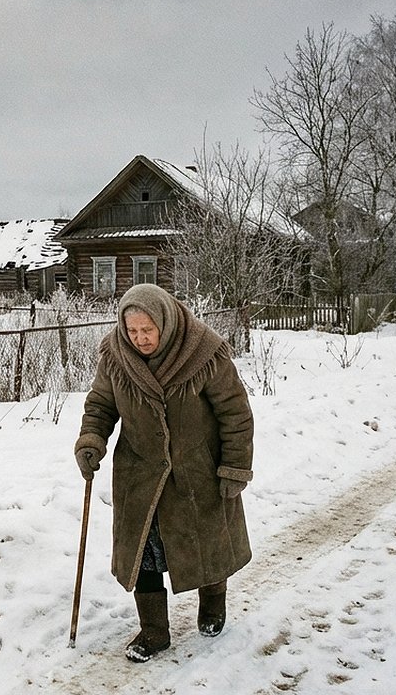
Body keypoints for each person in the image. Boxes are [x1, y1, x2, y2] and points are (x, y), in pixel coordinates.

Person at [74, 283, 254, 662]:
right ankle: (154, 631)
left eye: (147, 330)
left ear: (165, 323)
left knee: (205, 544)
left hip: (196, 472)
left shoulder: (204, 353)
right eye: (132, 331)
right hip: (139, 473)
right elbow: (101, 405)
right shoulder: (115, 355)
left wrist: (235, 466)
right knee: (144, 553)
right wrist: (91, 440)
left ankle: (213, 605)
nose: (140, 339)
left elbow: (235, 413)